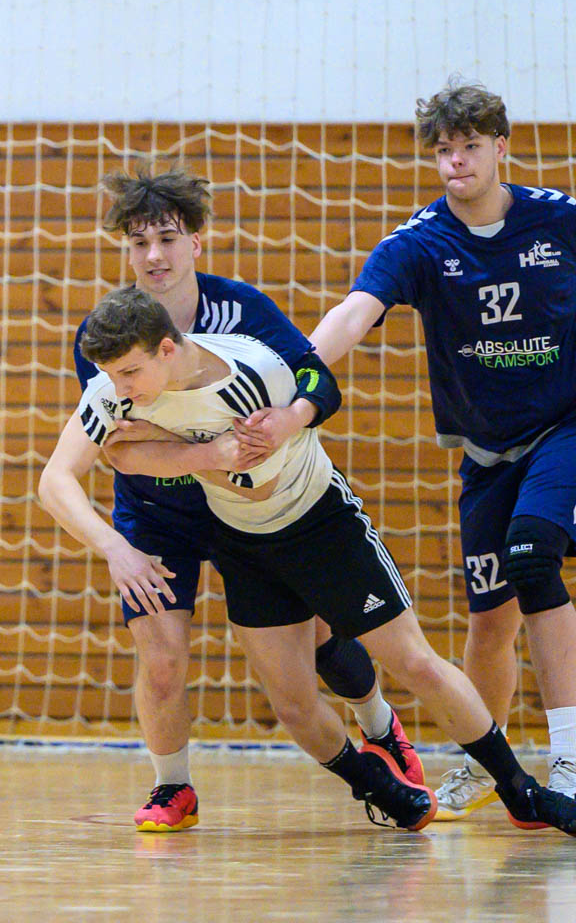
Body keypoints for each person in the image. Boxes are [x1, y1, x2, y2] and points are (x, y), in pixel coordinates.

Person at [43, 287, 576, 836]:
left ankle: (519, 789)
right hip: (242, 544)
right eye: (113, 376)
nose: (119, 388)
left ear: (167, 349)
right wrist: (157, 494)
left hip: (319, 527)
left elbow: (254, 484)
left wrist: (163, 446)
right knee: (292, 706)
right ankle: (381, 789)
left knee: (416, 664)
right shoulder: (118, 387)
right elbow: (82, 469)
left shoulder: (252, 374)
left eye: (129, 374)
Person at [298, 80, 576, 821]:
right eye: (443, 150)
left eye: (469, 146)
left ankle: (571, 763)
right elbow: (354, 313)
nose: (456, 161)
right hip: (488, 448)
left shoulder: (557, 217)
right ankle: (482, 760)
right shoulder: (420, 242)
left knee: (531, 557)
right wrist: (295, 372)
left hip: (575, 417)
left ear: (500, 146)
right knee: (490, 618)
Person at [55, 164, 417, 832]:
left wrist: (284, 420)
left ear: (195, 241)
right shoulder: (110, 332)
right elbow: (116, 443)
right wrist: (189, 460)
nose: (154, 255)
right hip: (156, 514)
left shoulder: (243, 310)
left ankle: (380, 726)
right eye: (139, 242)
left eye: (167, 238)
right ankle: (172, 786)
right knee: (162, 661)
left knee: (318, 637)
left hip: (250, 508)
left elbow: (313, 378)